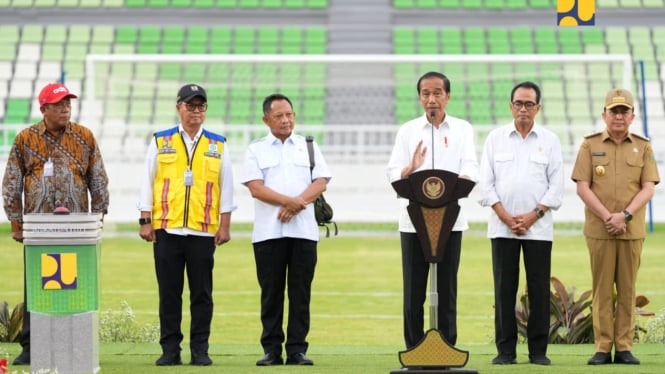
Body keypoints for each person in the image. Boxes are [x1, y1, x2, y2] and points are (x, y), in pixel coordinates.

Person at [2, 82, 110, 366]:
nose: (65, 109)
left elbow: (97, 178)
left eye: (68, 104)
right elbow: (12, 182)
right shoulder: (25, 138)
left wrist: (99, 217)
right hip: (39, 228)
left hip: (76, 229)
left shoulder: (84, 136)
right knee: (36, 286)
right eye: (59, 104)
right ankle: (30, 346)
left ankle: (75, 344)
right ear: (44, 109)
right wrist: (16, 223)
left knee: (75, 285)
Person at [137, 83, 235, 366]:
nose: (196, 111)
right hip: (167, 229)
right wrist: (146, 220)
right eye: (190, 106)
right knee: (169, 293)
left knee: (202, 294)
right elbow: (148, 180)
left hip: (203, 230)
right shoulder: (160, 140)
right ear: (179, 107)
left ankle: (200, 349)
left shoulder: (218, 143)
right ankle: (170, 350)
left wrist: (225, 225)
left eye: (200, 106)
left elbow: (225, 187)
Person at [387, 71, 478, 349]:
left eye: (438, 92)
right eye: (426, 93)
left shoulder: (463, 129)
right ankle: (414, 349)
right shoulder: (408, 130)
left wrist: (453, 186)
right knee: (413, 292)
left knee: (447, 289)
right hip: (414, 223)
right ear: (419, 98)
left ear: (448, 96)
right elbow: (394, 173)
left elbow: (471, 168)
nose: (432, 99)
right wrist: (411, 168)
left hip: (450, 221)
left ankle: (448, 348)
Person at [478, 81, 564, 366]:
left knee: (539, 290)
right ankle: (505, 351)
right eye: (518, 103)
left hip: (538, 229)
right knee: (504, 289)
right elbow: (486, 185)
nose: (523, 108)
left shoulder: (550, 140)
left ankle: (538, 352)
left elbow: (556, 187)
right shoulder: (495, 138)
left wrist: (532, 215)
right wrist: (505, 216)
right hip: (502, 228)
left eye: (529, 104)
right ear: (510, 106)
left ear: (538, 107)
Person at [571, 88, 659, 366]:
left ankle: (623, 347)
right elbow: (583, 187)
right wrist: (608, 216)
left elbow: (648, 188)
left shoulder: (644, 146)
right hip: (600, 229)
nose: (619, 116)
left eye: (624, 111)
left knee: (628, 289)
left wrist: (625, 216)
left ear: (632, 116)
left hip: (630, 230)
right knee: (602, 289)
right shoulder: (589, 145)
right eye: (614, 111)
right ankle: (602, 347)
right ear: (604, 114)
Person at [241, 93, 331, 366]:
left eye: (289, 114)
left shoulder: (308, 145)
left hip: (304, 233)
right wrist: (288, 202)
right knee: (271, 294)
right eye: (279, 116)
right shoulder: (255, 149)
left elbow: (321, 182)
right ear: (266, 119)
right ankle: (271, 350)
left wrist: (297, 204)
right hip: (269, 233)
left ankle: (297, 350)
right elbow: (256, 188)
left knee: (301, 293)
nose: (285, 120)